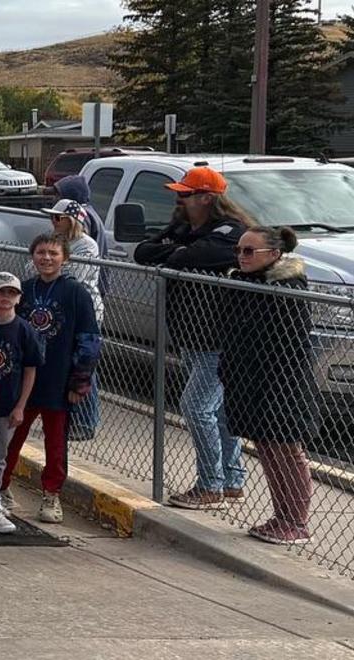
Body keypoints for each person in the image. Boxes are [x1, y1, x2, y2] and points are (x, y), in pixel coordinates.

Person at [132, 167, 251, 510]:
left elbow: (199, 256)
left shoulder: (231, 231)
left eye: (185, 195)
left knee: (196, 407)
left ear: (206, 198)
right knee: (220, 410)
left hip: (219, 337)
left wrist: (179, 251)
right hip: (188, 332)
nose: (178, 199)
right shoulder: (183, 227)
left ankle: (210, 484)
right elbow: (143, 251)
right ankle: (231, 479)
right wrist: (179, 249)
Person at [221, 227, 320, 545]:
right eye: (239, 250)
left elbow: (287, 343)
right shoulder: (245, 282)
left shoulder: (288, 286)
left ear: (274, 254)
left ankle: (296, 521)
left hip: (282, 382)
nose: (241, 256)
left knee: (287, 449)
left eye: (250, 251)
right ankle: (281, 516)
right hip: (252, 380)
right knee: (266, 448)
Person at [5, 235, 99, 524]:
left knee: (56, 443)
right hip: (23, 382)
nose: (46, 258)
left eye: (53, 253)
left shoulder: (76, 293)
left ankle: (51, 495)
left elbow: (90, 339)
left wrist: (80, 381)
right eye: (41, 253)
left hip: (58, 381)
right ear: (32, 256)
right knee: (10, 438)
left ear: (65, 258)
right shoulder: (23, 289)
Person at [0, 272, 42, 534]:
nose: (5, 298)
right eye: (0, 292)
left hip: (10, 402)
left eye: (11, 293)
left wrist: (21, 406)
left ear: (18, 298)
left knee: (1, 453)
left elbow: (30, 369)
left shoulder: (24, 330)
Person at [40, 198, 105, 442]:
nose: (53, 222)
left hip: (84, 310)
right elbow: (35, 267)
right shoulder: (55, 242)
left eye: (58, 217)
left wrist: (51, 270)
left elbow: (73, 276)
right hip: (60, 309)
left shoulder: (85, 245)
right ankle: (69, 415)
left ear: (71, 220)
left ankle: (86, 421)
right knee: (63, 361)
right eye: (52, 217)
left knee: (84, 363)